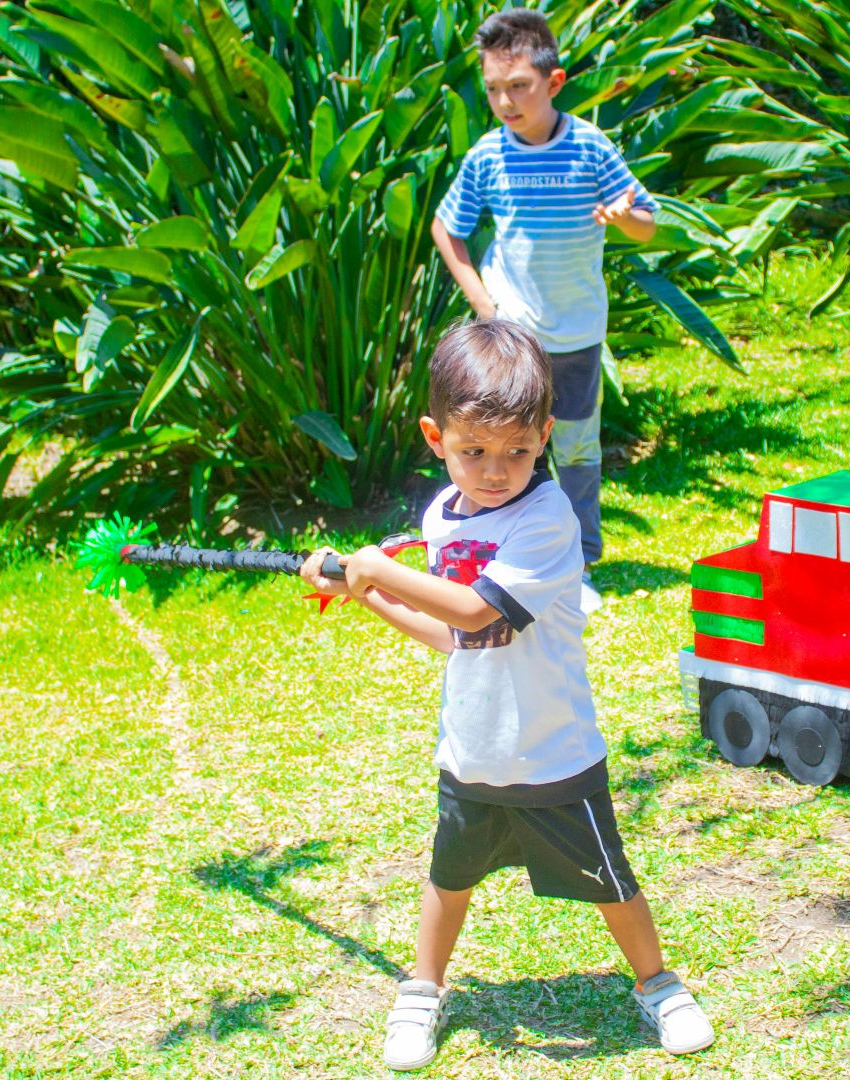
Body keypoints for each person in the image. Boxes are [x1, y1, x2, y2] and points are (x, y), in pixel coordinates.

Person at [302, 320, 713, 1070]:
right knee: (447, 878)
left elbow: (473, 608)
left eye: (518, 452)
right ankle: (422, 990)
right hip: (474, 748)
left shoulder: (548, 518)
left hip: (552, 750)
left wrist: (372, 565)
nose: (496, 471)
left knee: (609, 880)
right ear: (435, 436)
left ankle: (658, 985)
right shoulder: (442, 518)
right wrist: (363, 592)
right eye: (473, 451)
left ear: (545, 436)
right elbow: (451, 637)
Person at [430, 7, 658, 613]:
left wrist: (623, 217)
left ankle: (578, 562)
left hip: (578, 333)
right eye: (495, 90)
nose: (506, 101)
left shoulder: (590, 146)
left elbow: (646, 223)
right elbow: (446, 228)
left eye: (520, 87)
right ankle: (509, 556)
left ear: (553, 83)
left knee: (576, 450)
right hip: (514, 338)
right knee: (508, 450)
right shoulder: (485, 156)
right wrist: (484, 304)